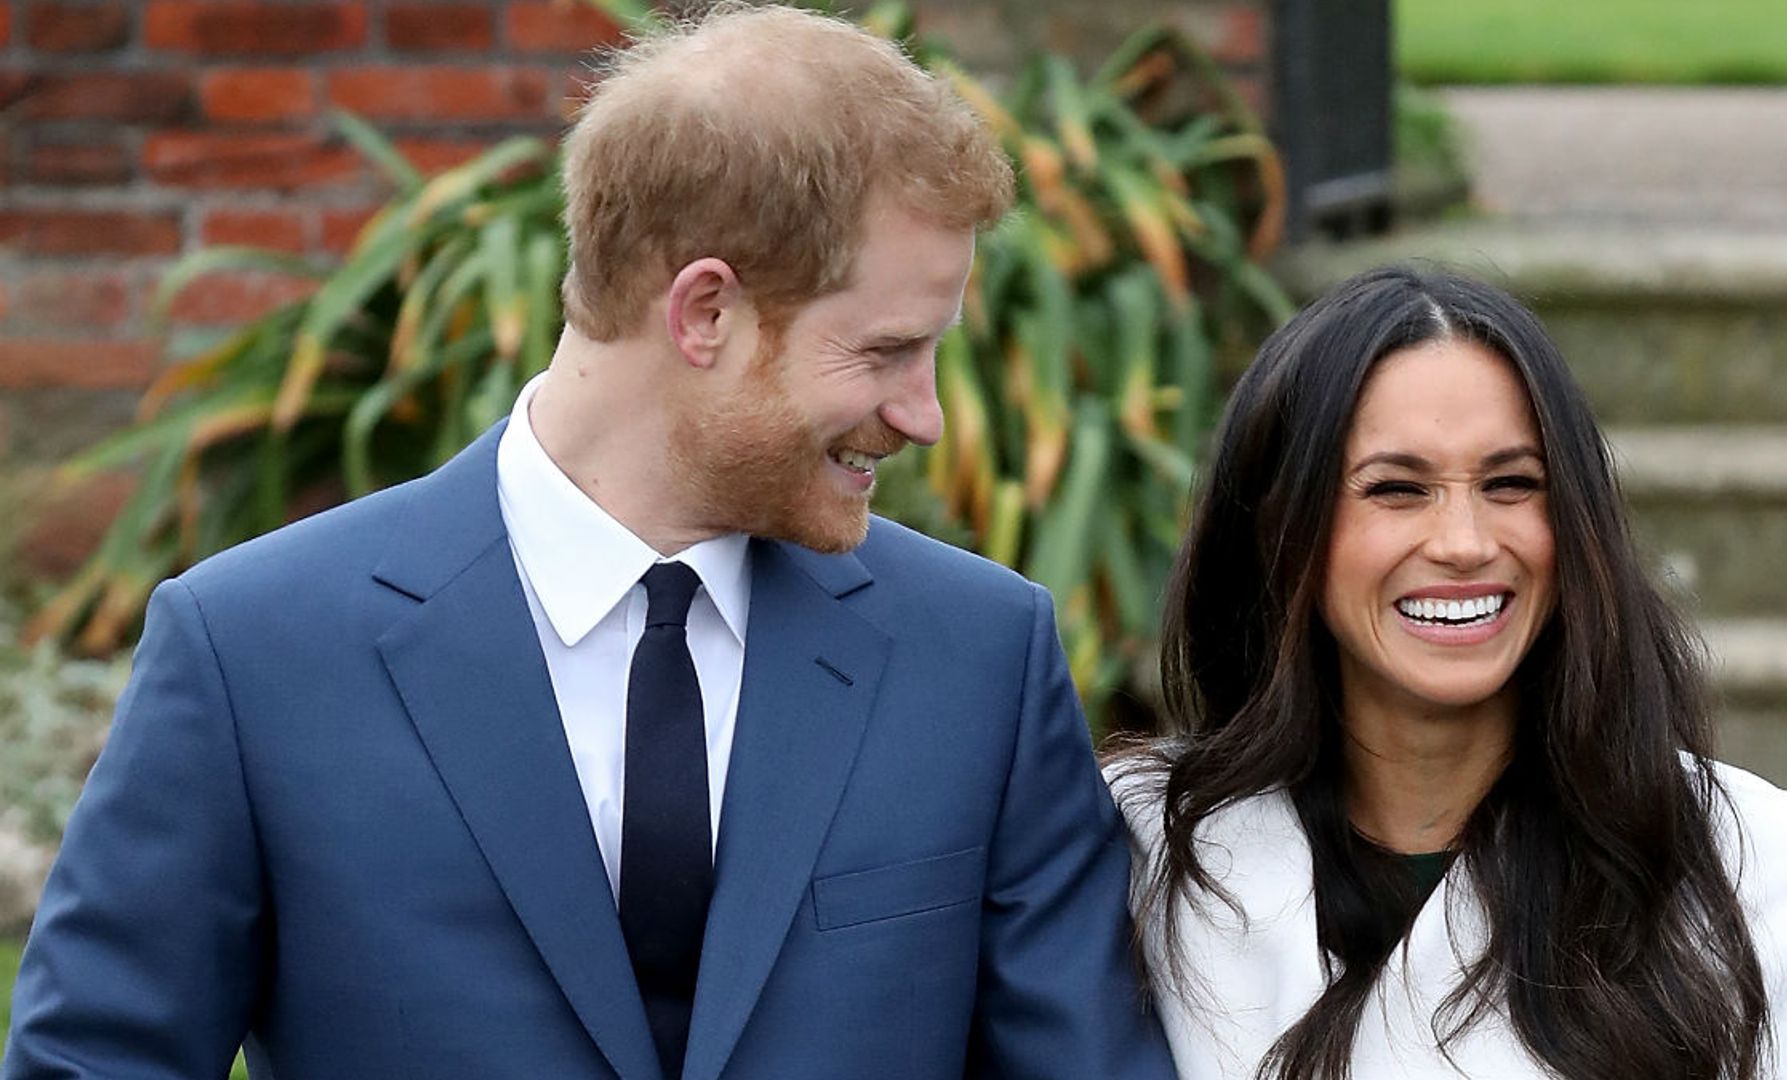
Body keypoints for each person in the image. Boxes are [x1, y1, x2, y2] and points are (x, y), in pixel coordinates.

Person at [4, 7, 1177, 1079]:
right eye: (883, 353)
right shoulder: (250, 653)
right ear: (704, 312)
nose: (923, 412)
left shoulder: (978, 654)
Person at [1109, 267, 1787, 1080]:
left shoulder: (1742, 860)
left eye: (1510, 485)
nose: (1464, 542)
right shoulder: (1149, 849)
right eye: (1396, 488)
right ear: (1282, 532)